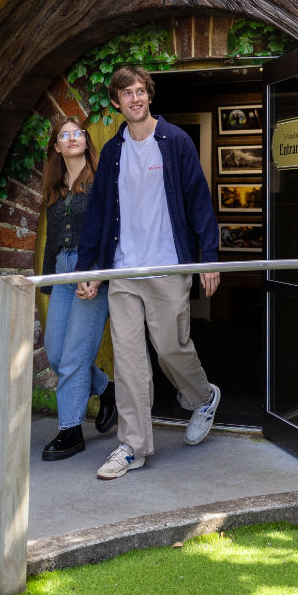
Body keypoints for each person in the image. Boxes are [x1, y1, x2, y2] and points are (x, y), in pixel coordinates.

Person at [76, 66, 221, 480]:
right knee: (128, 361)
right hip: (123, 270)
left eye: (140, 91)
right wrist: (90, 268)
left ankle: (203, 396)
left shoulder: (174, 142)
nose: (135, 99)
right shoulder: (114, 151)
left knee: (170, 347)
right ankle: (133, 446)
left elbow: (198, 198)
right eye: (127, 94)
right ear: (117, 103)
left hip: (167, 265)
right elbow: (99, 214)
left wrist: (207, 255)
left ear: (149, 96)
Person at [37, 116, 117, 461]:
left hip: (93, 272)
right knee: (55, 353)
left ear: (86, 140)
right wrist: (50, 283)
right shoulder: (55, 186)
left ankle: (70, 430)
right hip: (62, 272)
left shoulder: (102, 179)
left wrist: (99, 273)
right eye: (64, 135)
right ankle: (106, 390)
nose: (72, 138)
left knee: (72, 358)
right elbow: (53, 239)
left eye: (77, 133)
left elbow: (114, 231)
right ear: (56, 146)